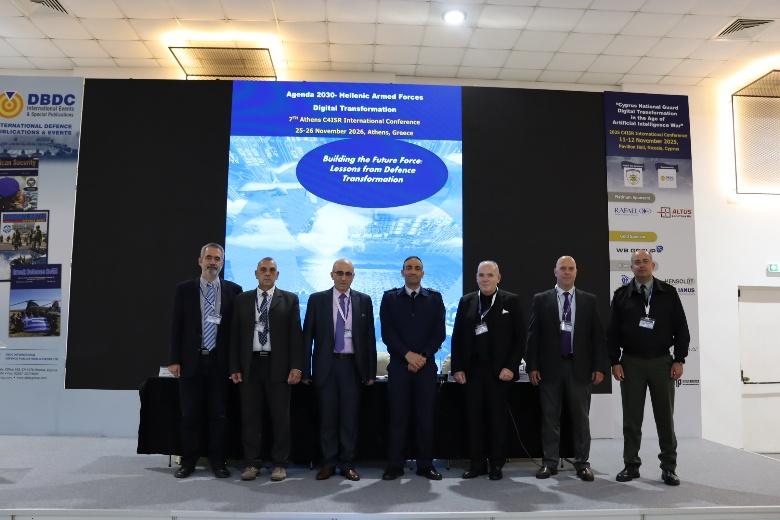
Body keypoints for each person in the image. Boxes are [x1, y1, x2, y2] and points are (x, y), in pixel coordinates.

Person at [609, 249, 689, 486]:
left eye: (645, 261)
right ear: (631, 267)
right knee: (631, 420)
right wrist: (614, 361)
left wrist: (679, 359)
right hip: (630, 363)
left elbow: (682, 329)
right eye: (637, 262)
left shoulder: (669, 293)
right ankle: (631, 465)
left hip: (662, 363)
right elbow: (611, 333)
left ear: (653, 265)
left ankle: (669, 468)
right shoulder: (621, 295)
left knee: (665, 418)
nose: (641, 265)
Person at [526, 255, 607, 481]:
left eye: (571, 268)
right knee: (550, 418)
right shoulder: (541, 299)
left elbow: (597, 337)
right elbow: (533, 336)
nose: (567, 272)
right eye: (563, 268)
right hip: (550, 368)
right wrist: (532, 366)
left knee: (581, 419)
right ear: (555, 271)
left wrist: (600, 366)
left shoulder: (589, 300)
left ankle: (582, 463)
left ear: (576, 272)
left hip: (579, 368)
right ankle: (549, 462)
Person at [167, 242, 242, 479]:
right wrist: (174, 359)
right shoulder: (184, 289)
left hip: (220, 364)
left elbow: (236, 333)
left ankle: (218, 462)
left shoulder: (234, 291)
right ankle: (188, 462)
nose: (212, 262)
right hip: (191, 361)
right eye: (208, 258)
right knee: (190, 415)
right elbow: (176, 326)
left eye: (217, 259)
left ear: (222, 263)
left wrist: (235, 365)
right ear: (200, 261)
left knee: (218, 416)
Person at [230, 257, 304, 482]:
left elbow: (296, 336)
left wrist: (297, 366)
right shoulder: (242, 300)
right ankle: (251, 463)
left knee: (280, 418)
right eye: (263, 269)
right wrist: (234, 366)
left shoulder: (289, 300)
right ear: (256, 273)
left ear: (277, 275)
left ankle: (279, 464)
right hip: (250, 365)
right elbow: (234, 336)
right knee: (250, 417)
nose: (267, 273)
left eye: (272, 270)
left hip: (278, 365)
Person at [303, 258, 377, 481]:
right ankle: (328, 463)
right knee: (327, 418)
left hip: (352, 367)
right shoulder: (317, 300)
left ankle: (347, 464)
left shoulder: (364, 301)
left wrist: (370, 372)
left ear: (353, 277)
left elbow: (369, 338)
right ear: (332, 275)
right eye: (339, 273)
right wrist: (305, 370)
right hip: (326, 366)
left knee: (349, 419)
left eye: (348, 274)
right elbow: (307, 337)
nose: (344, 278)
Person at [451, 260, 525, 480]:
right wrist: (457, 367)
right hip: (472, 372)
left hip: (500, 373)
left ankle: (496, 463)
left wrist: (511, 366)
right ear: (476, 278)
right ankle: (477, 463)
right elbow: (457, 336)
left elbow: (520, 338)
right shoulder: (466, 301)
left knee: (497, 420)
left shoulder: (511, 301)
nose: (485, 279)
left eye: (490, 275)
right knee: (474, 419)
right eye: (481, 275)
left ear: (498, 278)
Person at [380, 256, 446, 480]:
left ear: (423, 273)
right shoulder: (390, 298)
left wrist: (423, 356)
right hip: (399, 367)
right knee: (397, 417)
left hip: (426, 368)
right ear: (402, 272)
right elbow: (387, 333)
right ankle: (395, 465)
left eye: (417, 268)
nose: (413, 271)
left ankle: (425, 465)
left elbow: (439, 333)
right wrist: (407, 355)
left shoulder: (435, 299)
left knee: (425, 418)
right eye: (408, 268)